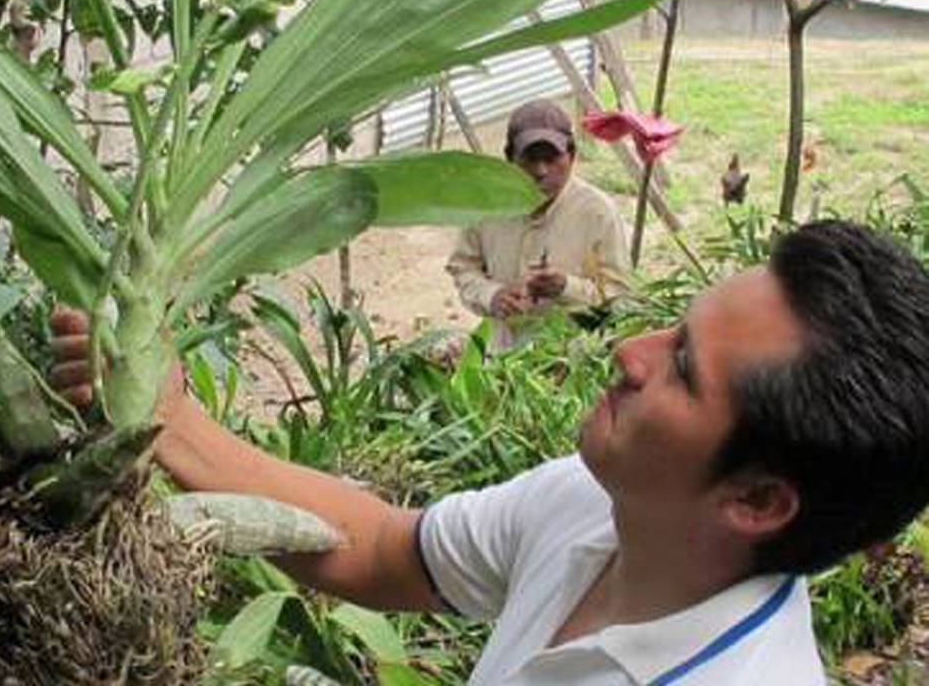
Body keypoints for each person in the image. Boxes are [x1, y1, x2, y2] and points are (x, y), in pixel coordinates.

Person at [51, 221, 929, 684]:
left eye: (685, 368)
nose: (632, 351)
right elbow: (383, 548)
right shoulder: (602, 508)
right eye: (676, 321)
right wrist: (167, 416)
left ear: (758, 501)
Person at [445, 98, 630, 349]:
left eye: (552, 158)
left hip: (574, 360)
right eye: (530, 159)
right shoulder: (488, 207)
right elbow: (463, 267)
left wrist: (566, 288)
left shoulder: (598, 213)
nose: (541, 170)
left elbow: (620, 296)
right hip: (503, 357)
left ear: (572, 156)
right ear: (509, 158)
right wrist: (492, 295)